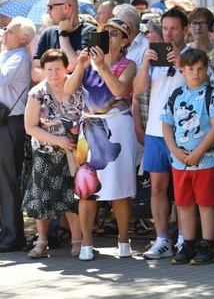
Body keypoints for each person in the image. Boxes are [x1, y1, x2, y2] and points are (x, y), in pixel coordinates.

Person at [65, 19, 137, 261]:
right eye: (104, 32)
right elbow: (68, 90)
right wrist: (81, 66)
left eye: (115, 33)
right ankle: (86, 243)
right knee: (86, 188)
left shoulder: (129, 64)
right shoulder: (88, 63)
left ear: (125, 40)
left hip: (117, 125)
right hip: (89, 126)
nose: (108, 36)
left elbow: (119, 90)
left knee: (119, 187)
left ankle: (124, 240)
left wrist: (102, 66)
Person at [134, 8, 191, 259]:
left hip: (184, 134)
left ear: (185, 30)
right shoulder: (155, 55)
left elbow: (202, 86)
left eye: (174, 28)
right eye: (165, 28)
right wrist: (146, 62)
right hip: (156, 132)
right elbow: (138, 89)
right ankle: (162, 238)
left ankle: (184, 237)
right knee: (158, 187)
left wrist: (181, 63)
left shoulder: (192, 55)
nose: (168, 33)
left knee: (182, 189)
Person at [161, 48, 214, 265]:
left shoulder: (212, 94)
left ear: (206, 70)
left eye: (200, 69)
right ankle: (188, 244)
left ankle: (208, 246)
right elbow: (167, 125)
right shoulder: (176, 94)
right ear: (182, 70)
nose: (195, 73)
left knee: (206, 204)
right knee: (184, 203)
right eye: (190, 69)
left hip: (206, 161)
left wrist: (198, 152)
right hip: (180, 163)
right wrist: (174, 150)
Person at [23, 49, 83, 259]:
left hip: (74, 154)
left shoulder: (77, 87)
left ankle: (78, 239)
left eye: (58, 68)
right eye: (49, 69)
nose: (54, 73)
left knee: (73, 197)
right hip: (45, 152)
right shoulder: (37, 93)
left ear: (67, 67)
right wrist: (59, 141)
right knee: (43, 198)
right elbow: (30, 127)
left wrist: (77, 133)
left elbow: (88, 115)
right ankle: (42, 240)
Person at [0, 17, 34, 253]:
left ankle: (13, 235)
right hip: (5, 122)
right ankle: (7, 231)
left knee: (7, 179)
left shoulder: (19, 57)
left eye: (9, 31)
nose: (4, 33)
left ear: (23, 38)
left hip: (10, 123)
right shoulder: (7, 54)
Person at [33, 0, 96, 82]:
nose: (47, 11)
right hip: (51, 95)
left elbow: (73, 65)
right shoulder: (47, 34)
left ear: (66, 7)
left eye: (50, 7)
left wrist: (63, 34)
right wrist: (60, 74)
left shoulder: (90, 31)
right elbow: (35, 73)